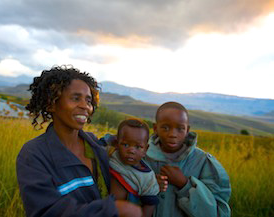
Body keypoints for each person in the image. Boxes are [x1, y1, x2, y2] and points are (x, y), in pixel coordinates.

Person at [16, 65, 142, 217]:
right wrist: (112, 210)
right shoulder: (34, 155)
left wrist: (151, 181)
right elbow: (46, 211)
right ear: (51, 104)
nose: (85, 106)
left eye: (88, 100)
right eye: (76, 98)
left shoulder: (95, 145)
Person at [144, 101, 231, 217]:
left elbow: (216, 213)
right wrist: (148, 185)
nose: (173, 134)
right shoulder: (141, 156)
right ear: (155, 128)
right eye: (165, 127)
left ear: (187, 130)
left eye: (180, 129)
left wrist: (185, 185)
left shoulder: (203, 162)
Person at [109, 119, 159, 217]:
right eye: (125, 144)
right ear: (116, 144)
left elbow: (149, 205)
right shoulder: (111, 155)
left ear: (146, 149)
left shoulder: (147, 178)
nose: (131, 150)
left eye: (138, 147)